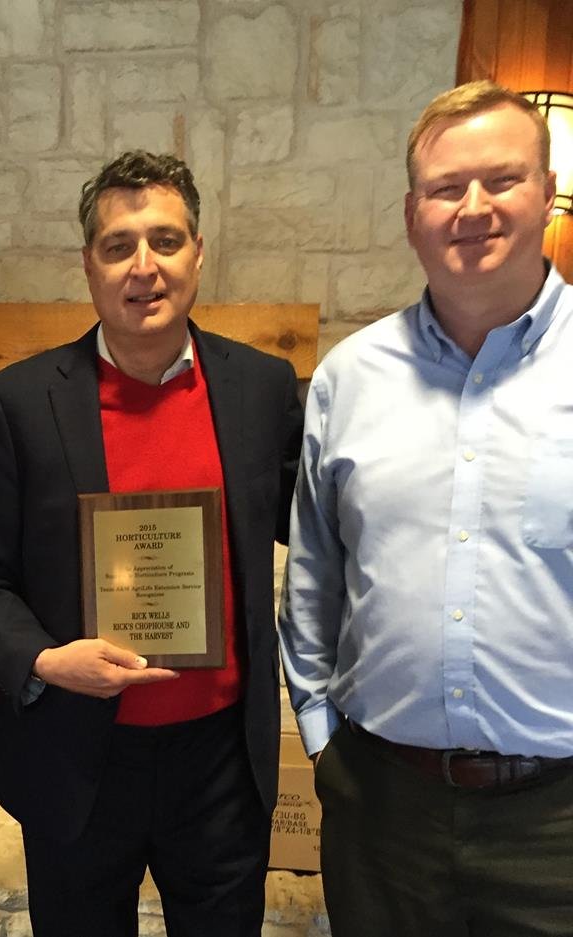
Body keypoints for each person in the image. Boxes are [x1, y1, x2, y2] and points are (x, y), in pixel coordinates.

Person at [0, 150, 303, 937]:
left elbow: (314, 530)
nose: (144, 266)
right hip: (77, 759)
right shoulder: (18, 402)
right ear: (89, 265)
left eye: (166, 241)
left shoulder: (261, 389)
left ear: (199, 252)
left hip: (218, 766)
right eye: (119, 246)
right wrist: (43, 660)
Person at [278, 80, 573, 936]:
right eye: (447, 188)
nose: (472, 208)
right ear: (413, 213)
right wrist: (322, 740)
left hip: (557, 825)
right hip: (383, 811)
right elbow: (313, 583)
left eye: (501, 180)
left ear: (545, 194)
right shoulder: (350, 378)